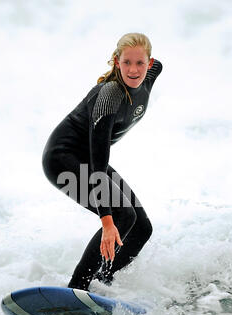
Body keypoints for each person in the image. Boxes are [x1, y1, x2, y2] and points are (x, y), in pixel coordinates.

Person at [42, 32, 162, 291]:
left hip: (89, 159)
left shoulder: (150, 74)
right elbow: (99, 156)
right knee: (121, 216)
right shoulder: (109, 95)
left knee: (141, 228)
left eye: (140, 63)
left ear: (149, 64)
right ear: (116, 62)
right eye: (126, 62)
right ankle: (77, 288)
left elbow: (159, 64)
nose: (133, 70)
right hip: (63, 159)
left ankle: (101, 283)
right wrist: (106, 220)